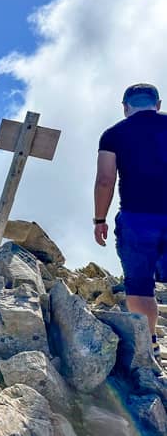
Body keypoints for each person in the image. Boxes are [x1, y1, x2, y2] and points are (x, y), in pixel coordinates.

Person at [94, 83, 167, 367]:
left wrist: (99, 219)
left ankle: (150, 346)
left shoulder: (114, 135)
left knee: (139, 287)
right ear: (158, 104)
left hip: (137, 219)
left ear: (125, 107)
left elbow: (105, 180)